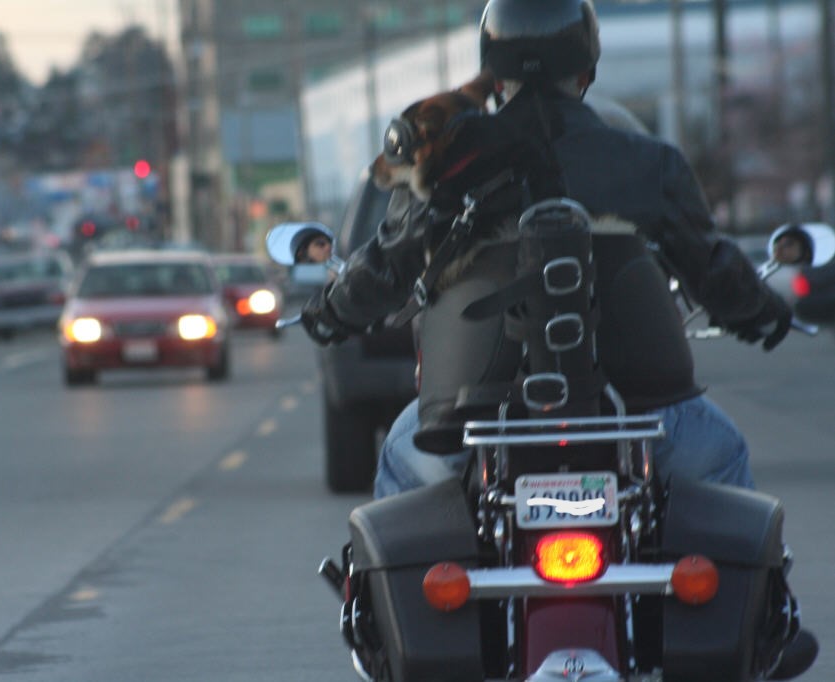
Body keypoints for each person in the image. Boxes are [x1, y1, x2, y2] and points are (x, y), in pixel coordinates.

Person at [297, 1, 814, 677]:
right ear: (587, 67)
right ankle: (762, 625)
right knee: (723, 463)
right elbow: (710, 265)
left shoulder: (448, 164)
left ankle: (384, 629)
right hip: (644, 412)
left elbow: (384, 264)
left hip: (469, 423)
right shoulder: (643, 161)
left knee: (398, 481)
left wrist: (330, 311)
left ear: (491, 72)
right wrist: (761, 312)